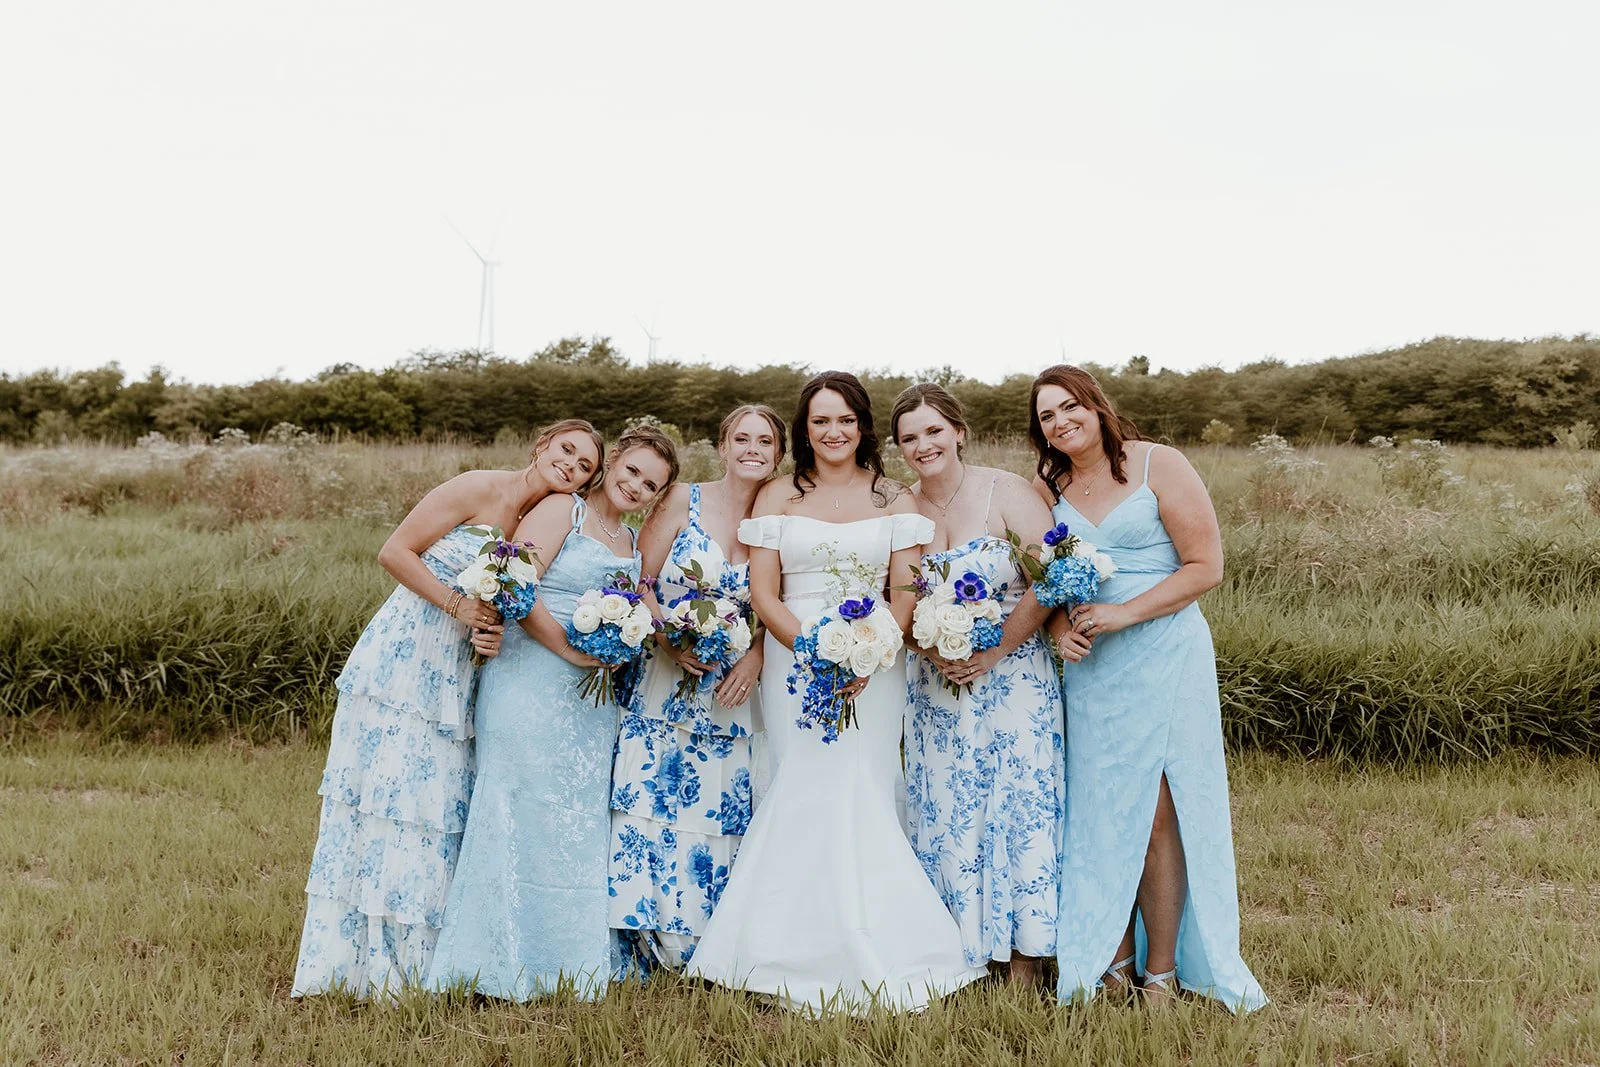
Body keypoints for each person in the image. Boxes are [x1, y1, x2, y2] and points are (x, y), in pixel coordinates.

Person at [686, 372, 987, 1014]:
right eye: (820, 421)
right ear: (805, 430)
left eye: (845, 419)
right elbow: (765, 594)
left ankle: (880, 936)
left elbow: (903, 591)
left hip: (874, 668)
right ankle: (780, 944)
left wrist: (872, 652)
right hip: (797, 666)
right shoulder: (777, 496)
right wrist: (816, 654)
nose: (833, 432)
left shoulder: (893, 496)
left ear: (863, 426)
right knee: (803, 783)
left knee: (864, 783)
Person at [291, 419, 605, 999]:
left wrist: (485, 633)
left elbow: (503, 608)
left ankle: (419, 961)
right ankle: (354, 963)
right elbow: (395, 551)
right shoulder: (477, 488)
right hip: (407, 656)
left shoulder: (542, 526)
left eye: (584, 465)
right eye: (566, 451)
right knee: (388, 800)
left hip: (458, 672)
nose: (570, 466)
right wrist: (457, 605)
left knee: (431, 807)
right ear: (540, 445)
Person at [1030, 365, 1266, 1011]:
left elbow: (1206, 566)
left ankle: (1161, 971)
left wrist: (1125, 613)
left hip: (1165, 653)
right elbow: (1038, 576)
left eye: (1070, 406)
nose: (1061, 422)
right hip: (1094, 668)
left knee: (1160, 809)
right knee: (1100, 809)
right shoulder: (1047, 485)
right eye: (1047, 415)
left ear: (1097, 405)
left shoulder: (1160, 463)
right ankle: (1114, 957)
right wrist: (1057, 628)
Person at [425, 425, 679, 1001]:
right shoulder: (562, 509)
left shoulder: (632, 544)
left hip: (590, 702)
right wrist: (569, 648)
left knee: (570, 820)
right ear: (610, 464)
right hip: (530, 678)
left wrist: (624, 645)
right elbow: (519, 590)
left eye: (650, 483)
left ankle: (562, 962)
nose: (636, 485)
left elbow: (634, 611)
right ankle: (489, 963)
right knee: (514, 805)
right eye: (631, 470)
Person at [890, 383, 1077, 986]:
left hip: (1013, 678)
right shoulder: (900, 508)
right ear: (898, 448)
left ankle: (1026, 956)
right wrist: (930, 647)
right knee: (946, 809)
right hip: (936, 688)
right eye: (910, 437)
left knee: (1016, 805)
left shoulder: (1008, 492)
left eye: (934, 431)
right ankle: (962, 952)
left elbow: (1051, 581)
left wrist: (992, 650)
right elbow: (895, 600)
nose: (924, 445)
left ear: (959, 432)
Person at [607, 406, 786, 969]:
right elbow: (642, 578)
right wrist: (666, 639)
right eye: (741, 438)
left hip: (733, 685)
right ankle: (641, 942)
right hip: (667, 674)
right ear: (723, 444)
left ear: (779, 453)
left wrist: (758, 653)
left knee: (718, 806)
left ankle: (705, 943)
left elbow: (785, 600)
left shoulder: (781, 512)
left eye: (765, 440)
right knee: (651, 798)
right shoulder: (683, 498)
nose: (752, 449)